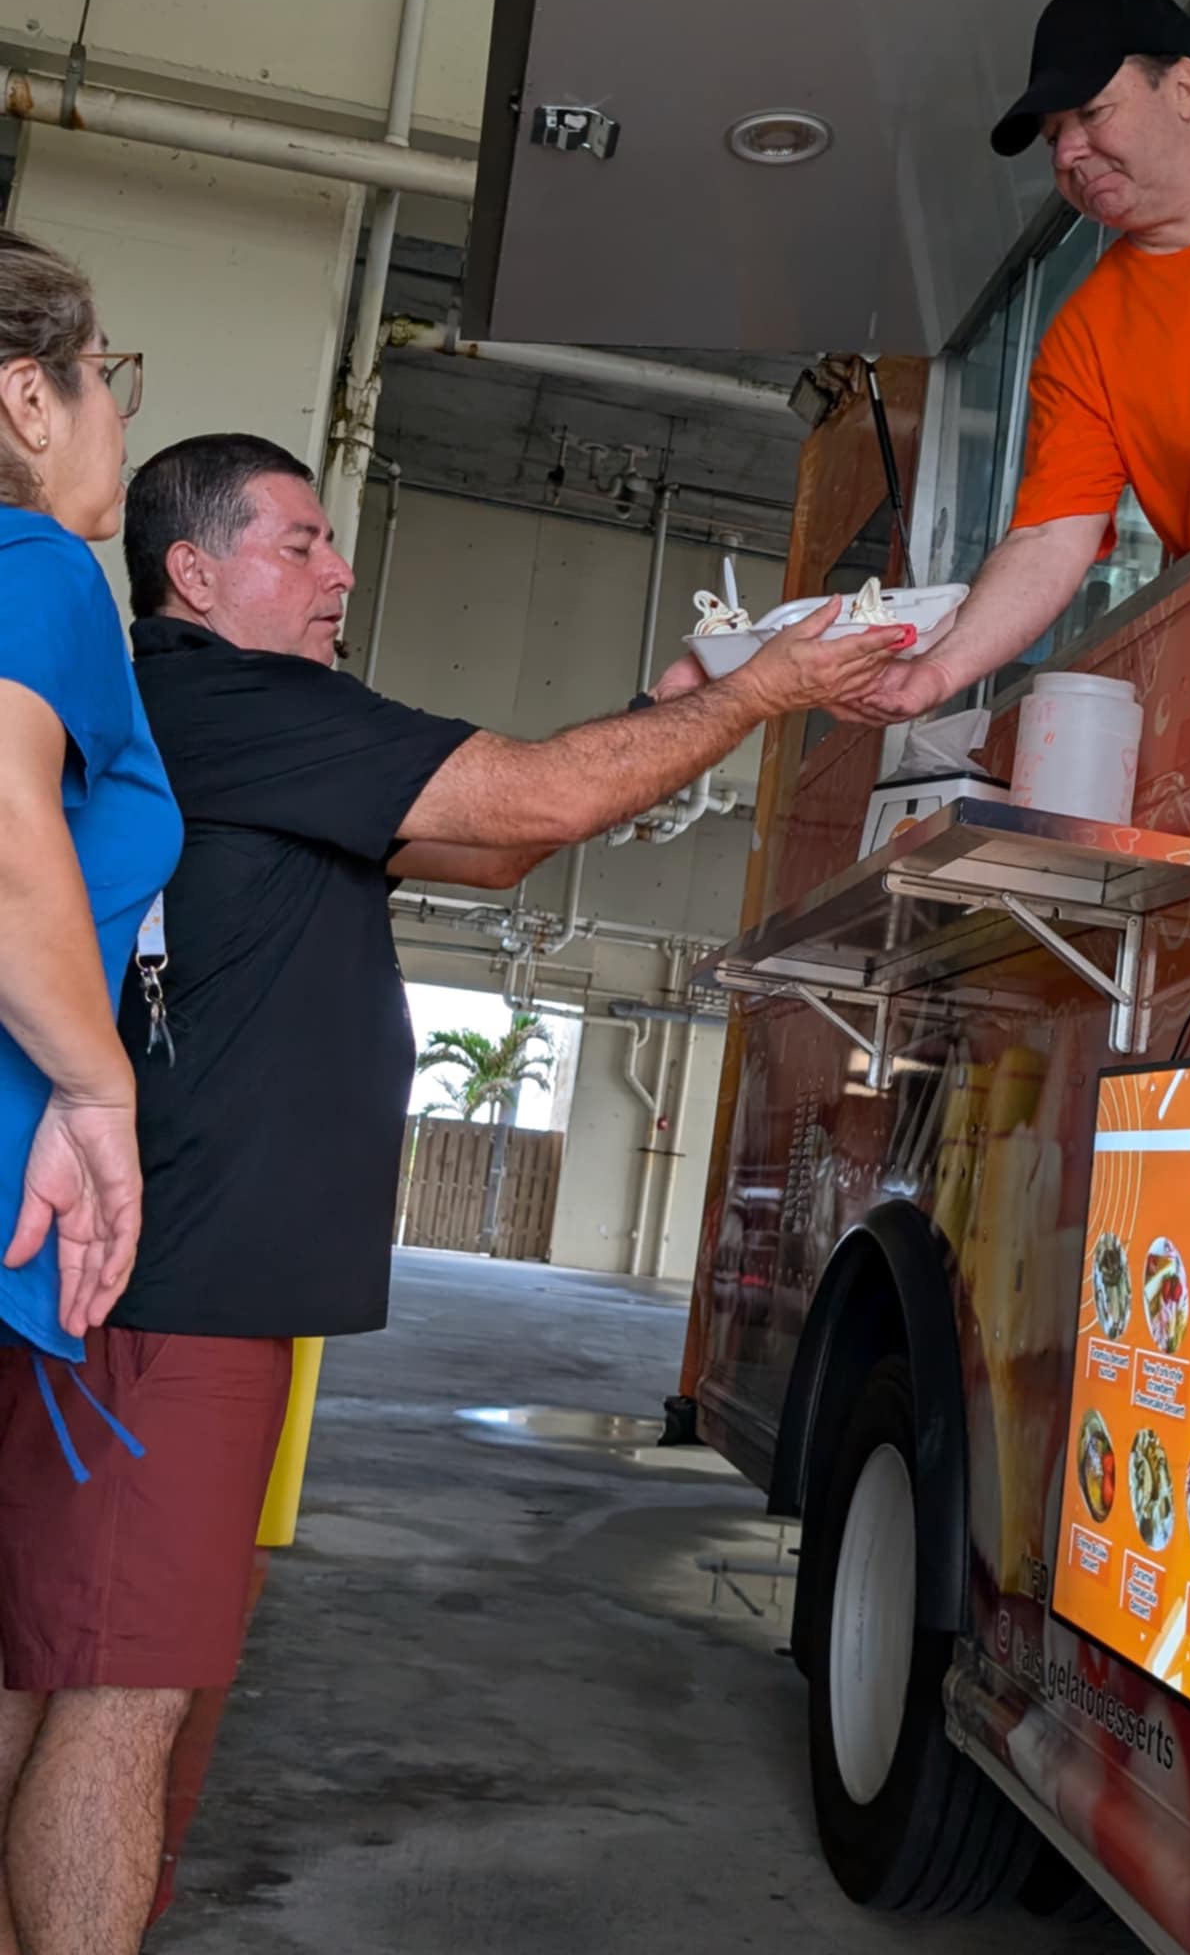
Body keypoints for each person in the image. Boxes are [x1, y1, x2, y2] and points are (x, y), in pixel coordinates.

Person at [0, 429, 910, 1954]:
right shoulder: (234, 700)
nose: (337, 569)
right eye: (300, 542)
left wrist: (673, 711)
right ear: (194, 573)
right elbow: (534, 801)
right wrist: (766, 692)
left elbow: (487, 852)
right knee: (118, 1689)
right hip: (171, 1293)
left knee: (68, 1664)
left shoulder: (205, 726)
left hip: (174, 1282)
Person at [846, 0, 1190, 723]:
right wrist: (933, 675)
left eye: (1091, 113)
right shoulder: (1082, 337)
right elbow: (1052, 536)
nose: (1069, 153)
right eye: (1054, 137)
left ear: (1184, 88)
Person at [0, 228, 183, 1953]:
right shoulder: (34, 565)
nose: (118, 411)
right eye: (107, 374)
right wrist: (98, 1088)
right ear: (27, 398)